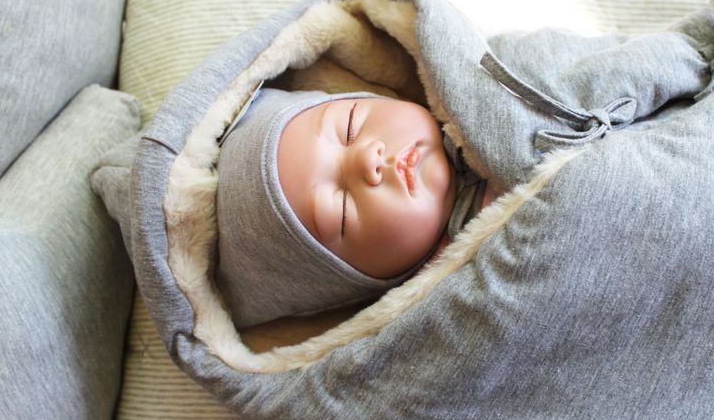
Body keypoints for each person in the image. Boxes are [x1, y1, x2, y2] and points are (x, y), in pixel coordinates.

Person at [213, 87, 502, 328]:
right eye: (340, 211)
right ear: (372, 281)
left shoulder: (468, 83)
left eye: (349, 127)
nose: (367, 160)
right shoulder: (472, 299)